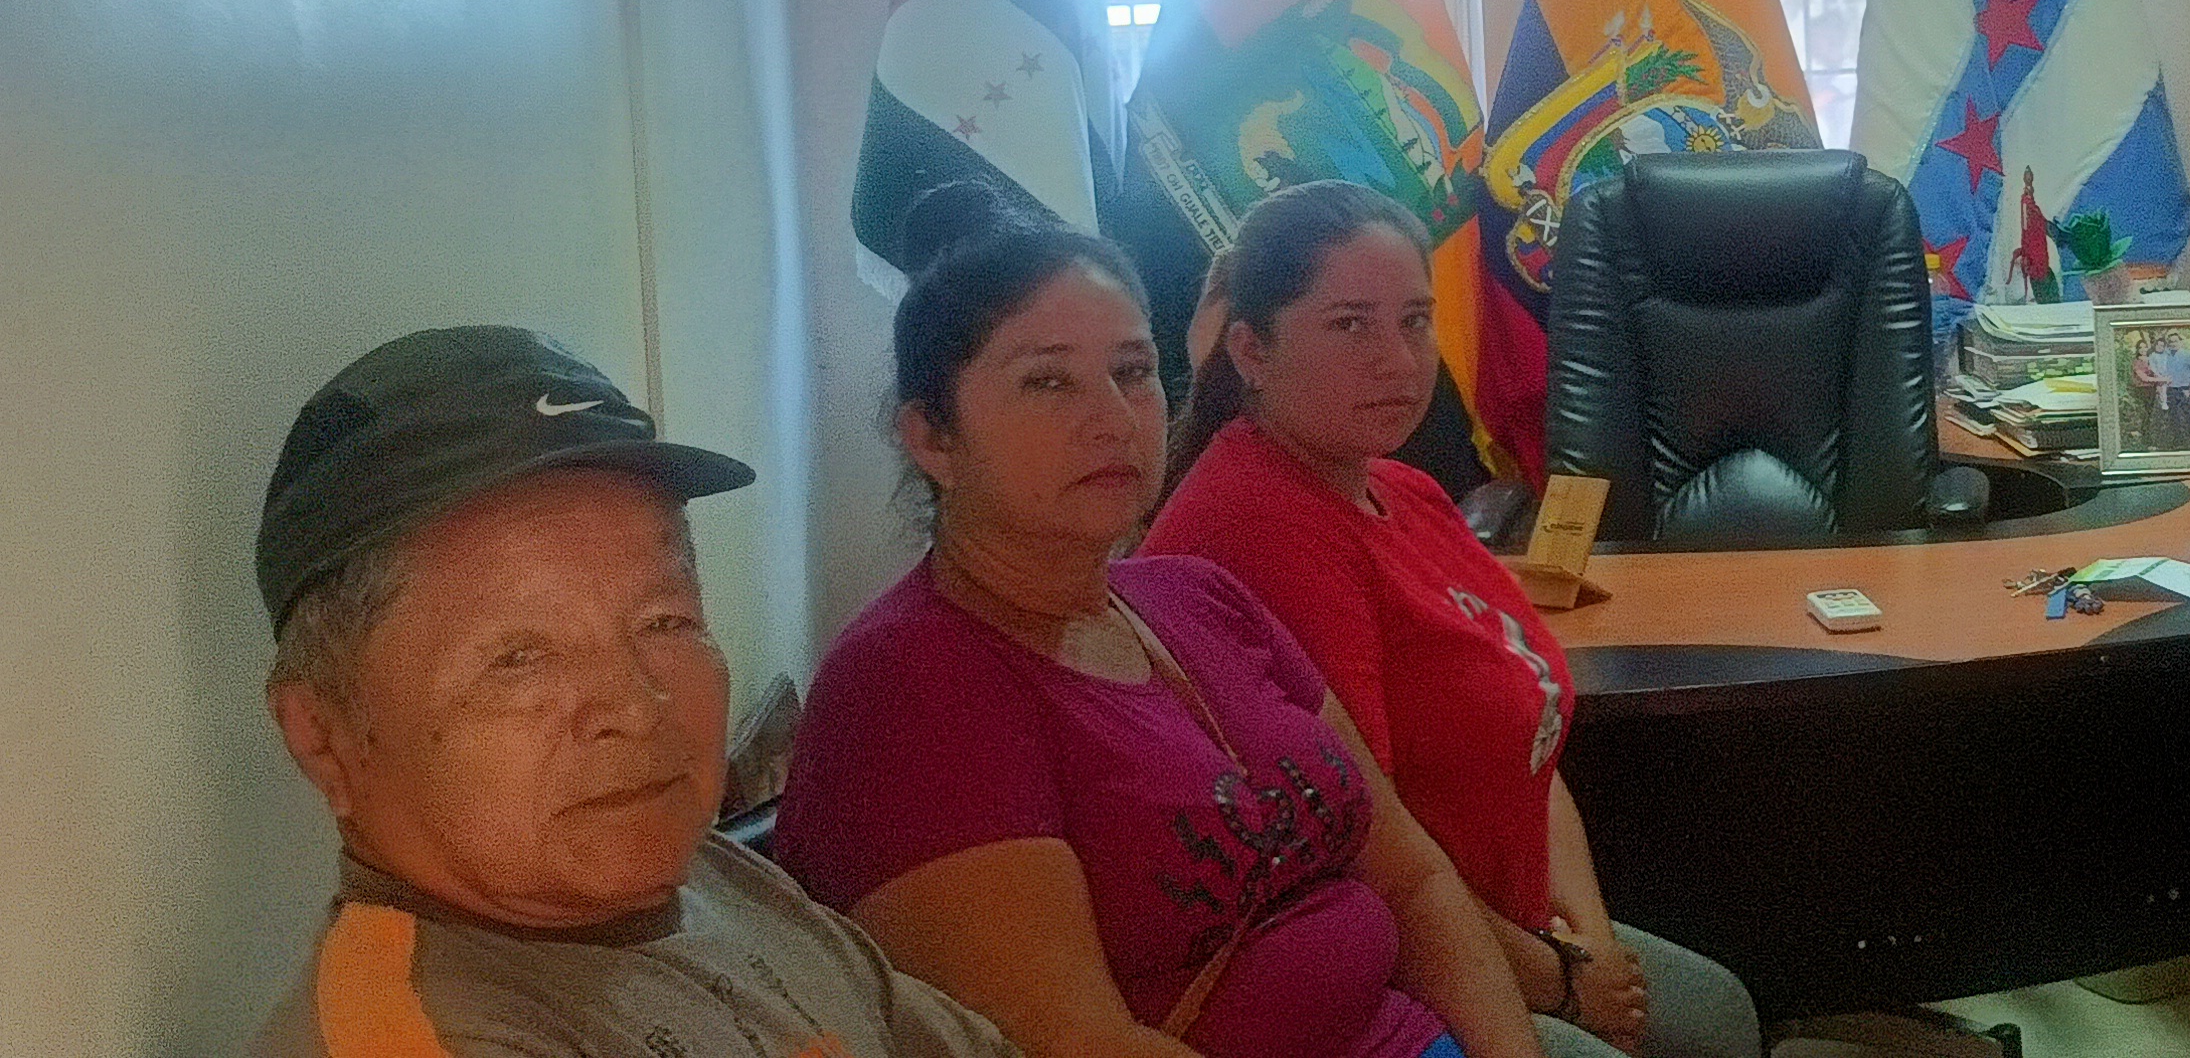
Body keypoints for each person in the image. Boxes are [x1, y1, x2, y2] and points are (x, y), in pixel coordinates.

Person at [776, 183, 1547, 1058]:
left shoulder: (1201, 597)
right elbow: (1077, 1040)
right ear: (932, 439)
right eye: (1047, 381)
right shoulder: (906, 690)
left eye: (1133, 373)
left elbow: (1410, 879)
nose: (1111, 419)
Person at [251, 325, 1019, 1057]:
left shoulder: (712, 877)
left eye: (666, 621)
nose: (638, 707)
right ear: (322, 737)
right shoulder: (421, 1034)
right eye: (519, 658)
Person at [1144, 180, 1760, 1058]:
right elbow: (1365, 857)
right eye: (1350, 325)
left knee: (1717, 1012)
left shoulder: (1401, 487)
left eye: (1415, 320)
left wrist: (1587, 939)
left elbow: (1531, 731)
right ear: (1251, 349)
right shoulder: (1254, 529)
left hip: (1515, 922)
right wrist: (1564, 981)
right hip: (1392, 960)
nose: (1398, 361)